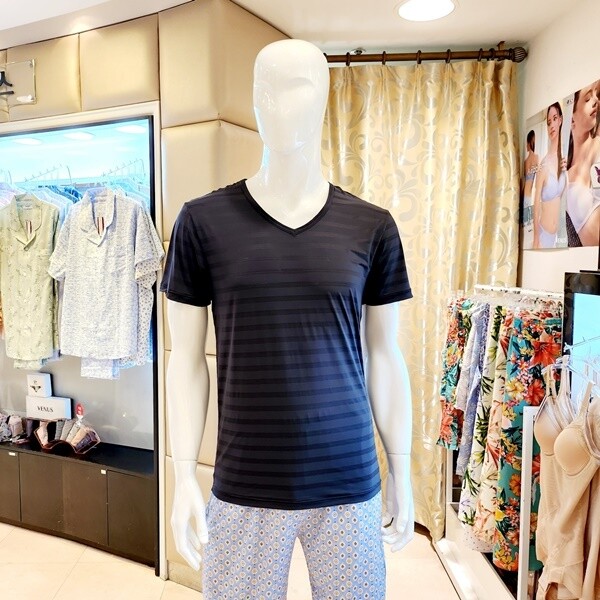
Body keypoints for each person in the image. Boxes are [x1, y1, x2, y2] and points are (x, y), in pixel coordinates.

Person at [160, 39, 414, 599]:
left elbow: (384, 353)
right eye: (263, 90)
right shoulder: (201, 223)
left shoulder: (371, 227)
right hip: (245, 481)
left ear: (322, 97)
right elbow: (185, 361)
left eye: (294, 88)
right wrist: (182, 476)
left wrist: (401, 465)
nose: (274, 105)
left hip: (348, 480)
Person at [566, 81, 600, 246]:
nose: (595, 101)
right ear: (571, 119)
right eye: (587, 99)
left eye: (596, 95)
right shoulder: (567, 178)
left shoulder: (598, 145)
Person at [533, 103, 567, 249]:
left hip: (557, 238)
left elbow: (564, 197)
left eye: (554, 119)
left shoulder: (563, 161)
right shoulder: (543, 165)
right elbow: (536, 205)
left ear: (560, 120)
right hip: (543, 237)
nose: (551, 125)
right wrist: (536, 239)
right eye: (548, 122)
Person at [522, 130, 539, 238]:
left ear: (529, 142)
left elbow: (525, 180)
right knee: (529, 226)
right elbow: (537, 176)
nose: (526, 146)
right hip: (530, 194)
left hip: (525, 194)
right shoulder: (536, 158)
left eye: (527, 143)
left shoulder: (525, 161)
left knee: (526, 225)